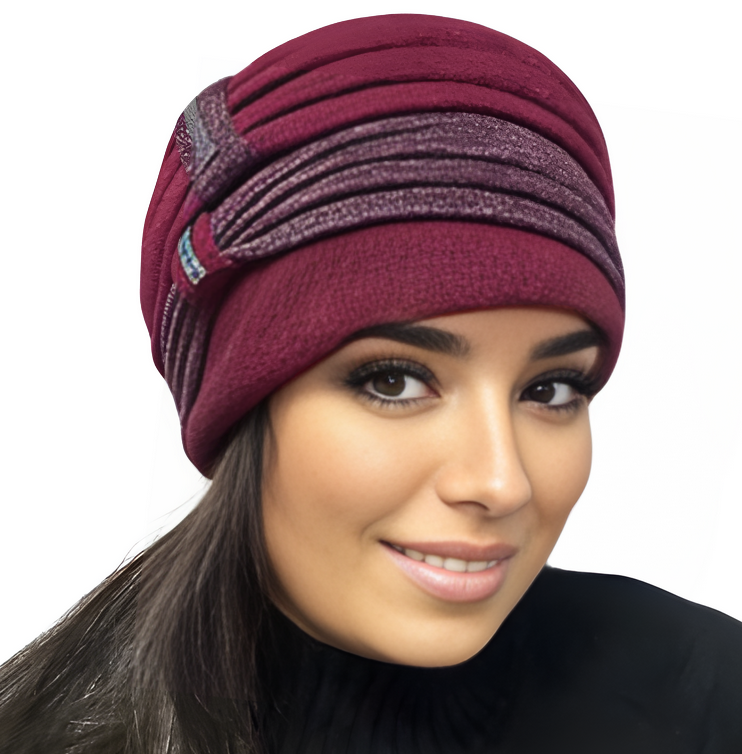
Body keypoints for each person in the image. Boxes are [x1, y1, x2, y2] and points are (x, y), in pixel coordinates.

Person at [1, 13, 740, 753]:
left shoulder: (706, 694)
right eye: (393, 381)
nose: (502, 482)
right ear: (237, 410)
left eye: (549, 390)